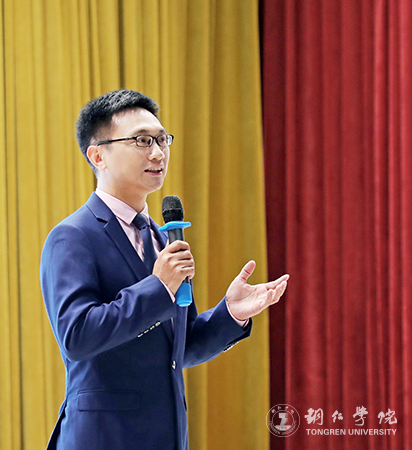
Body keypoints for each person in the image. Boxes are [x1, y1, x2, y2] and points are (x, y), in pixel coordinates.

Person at [40, 89, 288, 450]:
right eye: (142, 141)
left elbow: (177, 349)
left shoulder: (161, 237)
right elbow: (77, 336)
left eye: (161, 139)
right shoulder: (73, 236)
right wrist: (158, 286)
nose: (158, 153)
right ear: (98, 155)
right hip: (103, 438)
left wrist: (230, 313)